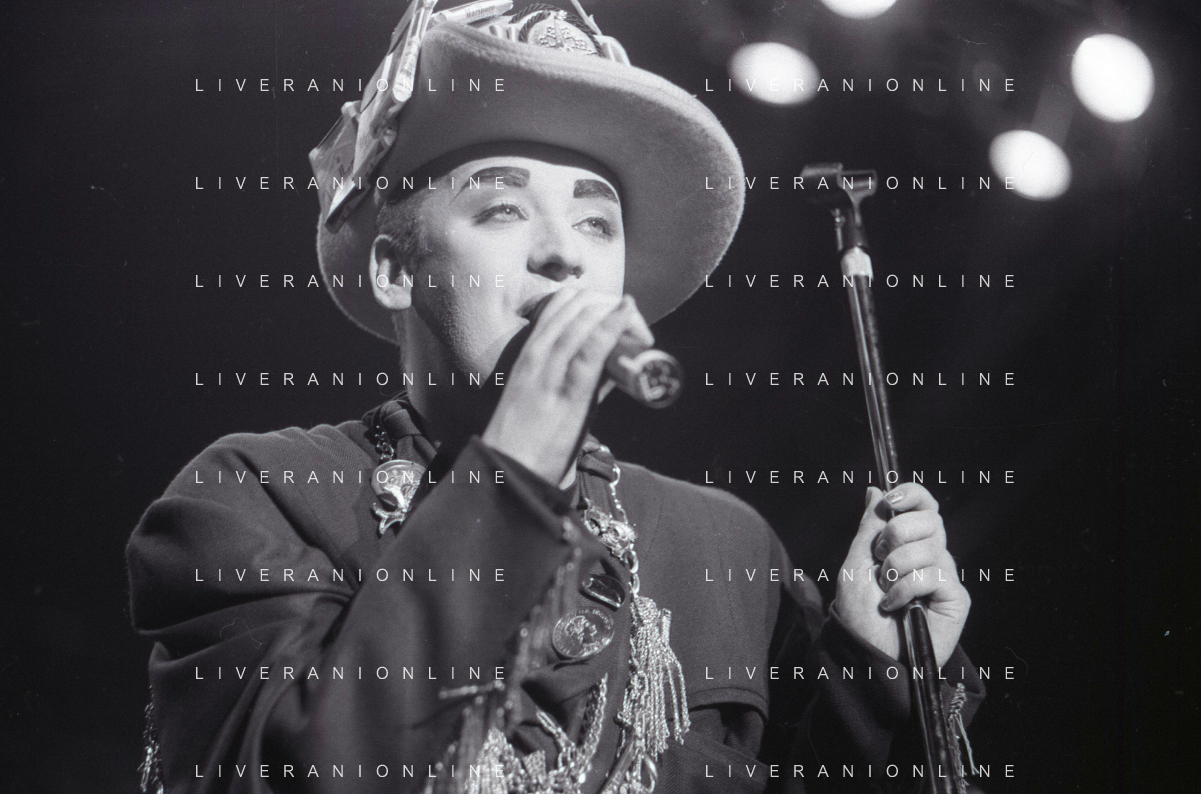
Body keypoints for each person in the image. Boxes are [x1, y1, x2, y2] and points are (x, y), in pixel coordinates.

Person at [127, 3, 983, 793]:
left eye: (596, 223)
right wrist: (518, 467)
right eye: (503, 210)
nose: (563, 255)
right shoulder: (256, 496)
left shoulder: (724, 544)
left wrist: (874, 682)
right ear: (394, 269)